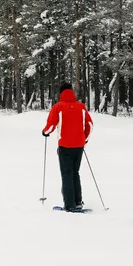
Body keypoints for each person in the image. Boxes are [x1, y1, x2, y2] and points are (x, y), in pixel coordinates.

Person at [42, 82, 93, 212]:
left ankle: (70, 204)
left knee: (67, 174)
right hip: (79, 146)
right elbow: (89, 125)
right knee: (75, 173)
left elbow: (51, 125)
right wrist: (84, 139)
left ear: (61, 93)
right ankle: (78, 202)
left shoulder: (58, 107)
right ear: (71, 92)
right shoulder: (81, 106)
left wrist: (45, 132)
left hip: (65, 146)